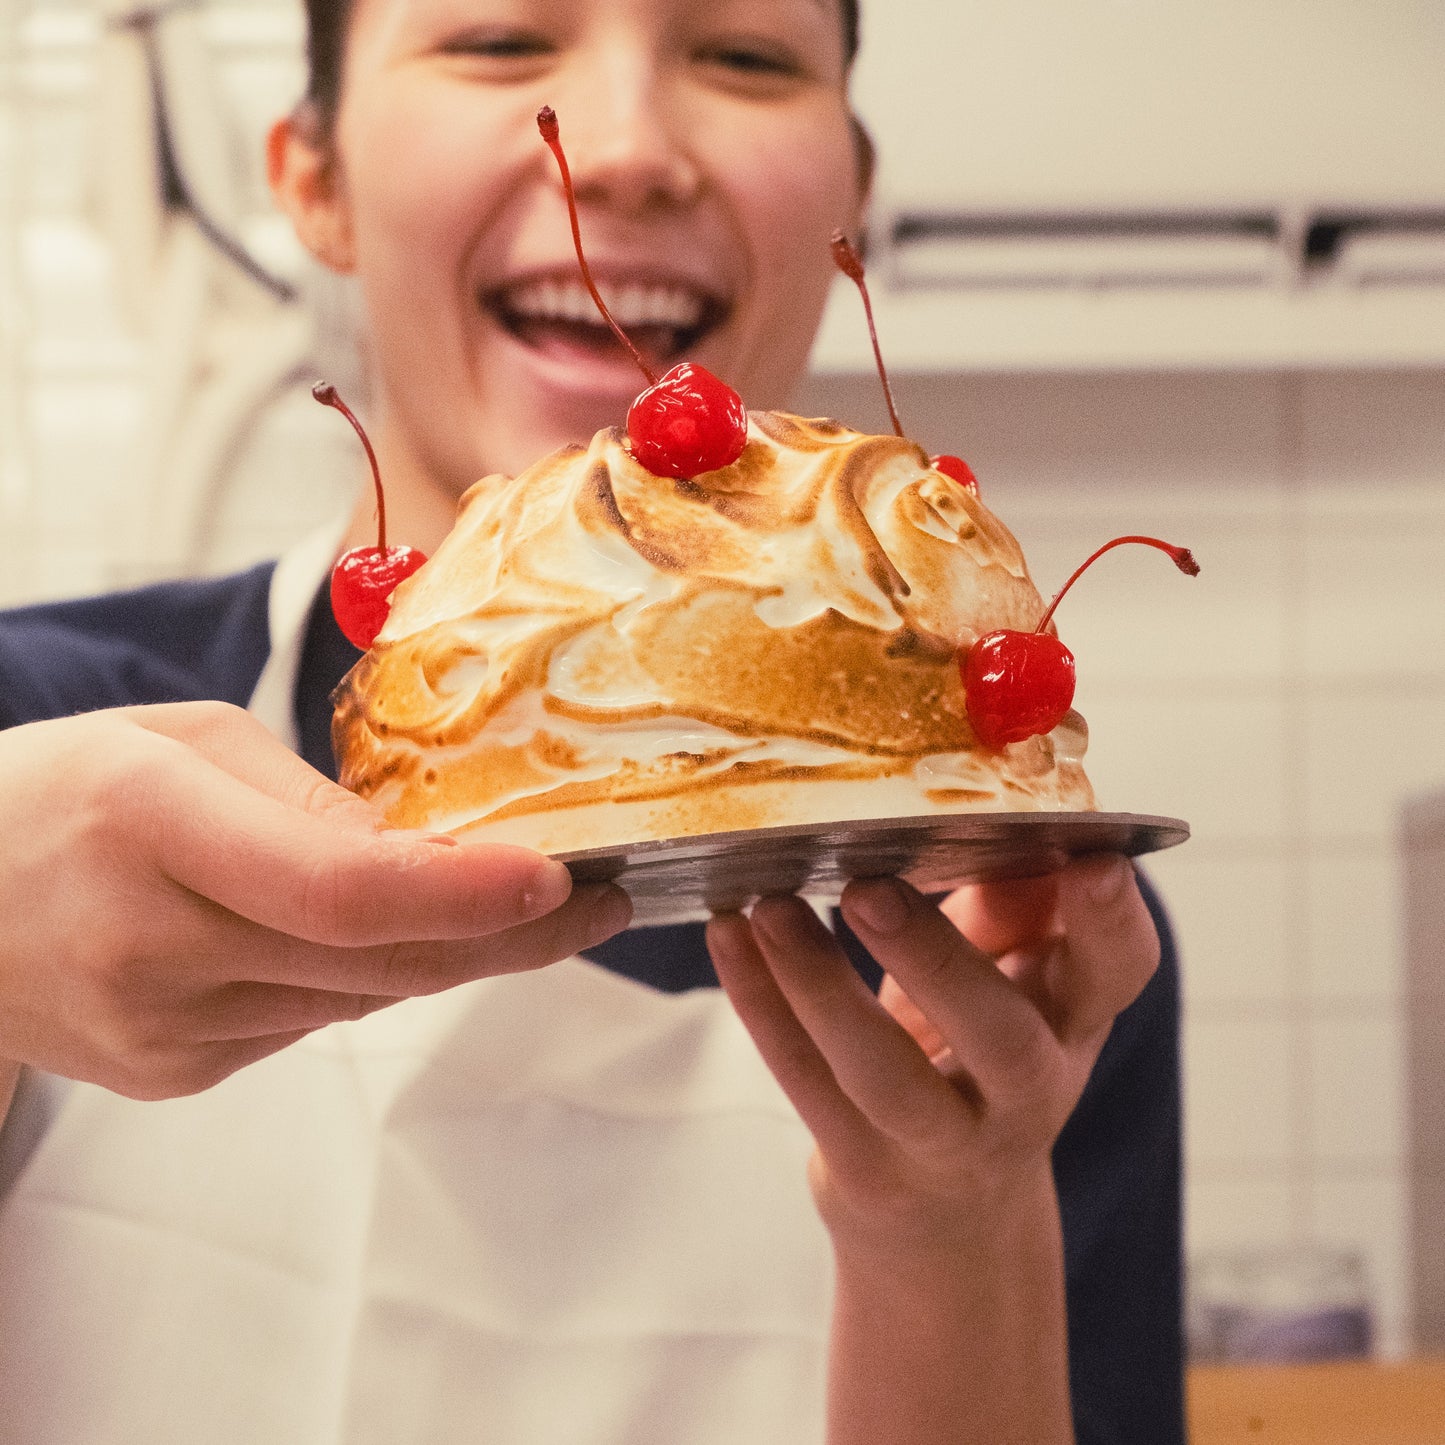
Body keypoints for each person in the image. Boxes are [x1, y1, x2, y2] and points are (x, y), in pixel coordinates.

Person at [0, 1, 1184, 1440]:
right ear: (312, 179)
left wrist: (946, 1223)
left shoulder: (1006, 920)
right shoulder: (41, 743)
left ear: (848, 193)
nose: (625, 150)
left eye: (745, 56)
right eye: (497, 38)